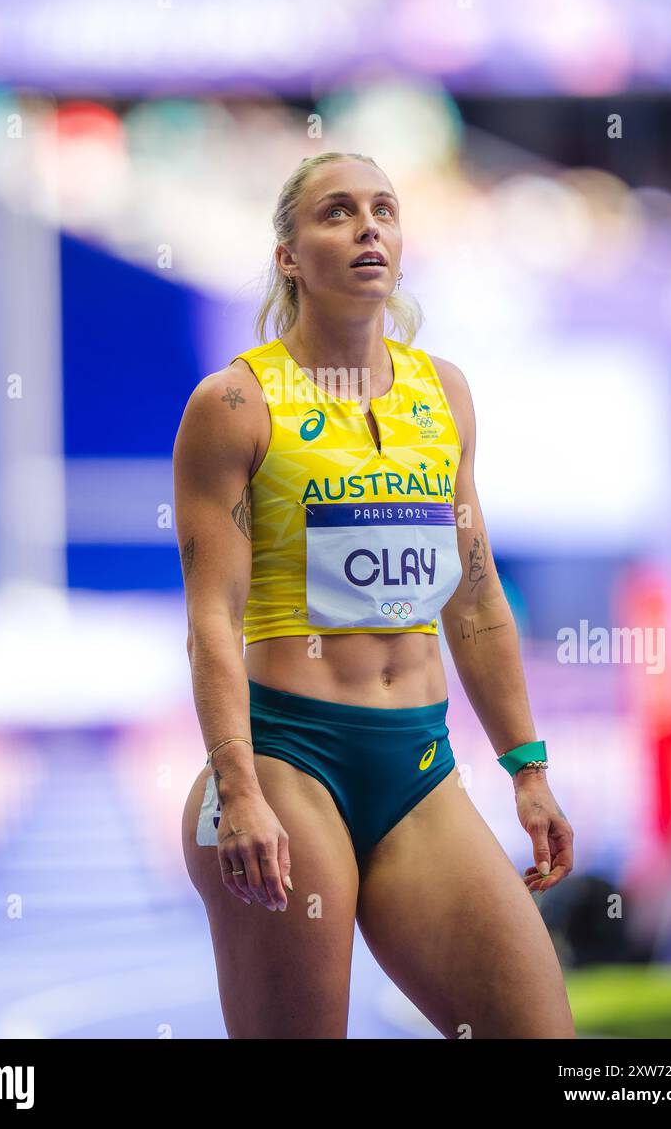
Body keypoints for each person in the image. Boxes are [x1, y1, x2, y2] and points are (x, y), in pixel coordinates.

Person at [175, 151, 576, 1039]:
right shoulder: (237, 403)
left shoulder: (446, 395)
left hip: (418, 771)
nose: (368, 228)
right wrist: (236, 789)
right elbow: (210, 620)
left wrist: (528, 769)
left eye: (385, 210)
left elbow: (475, 604)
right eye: (337, 212)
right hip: (287, 763)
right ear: (288, 254)